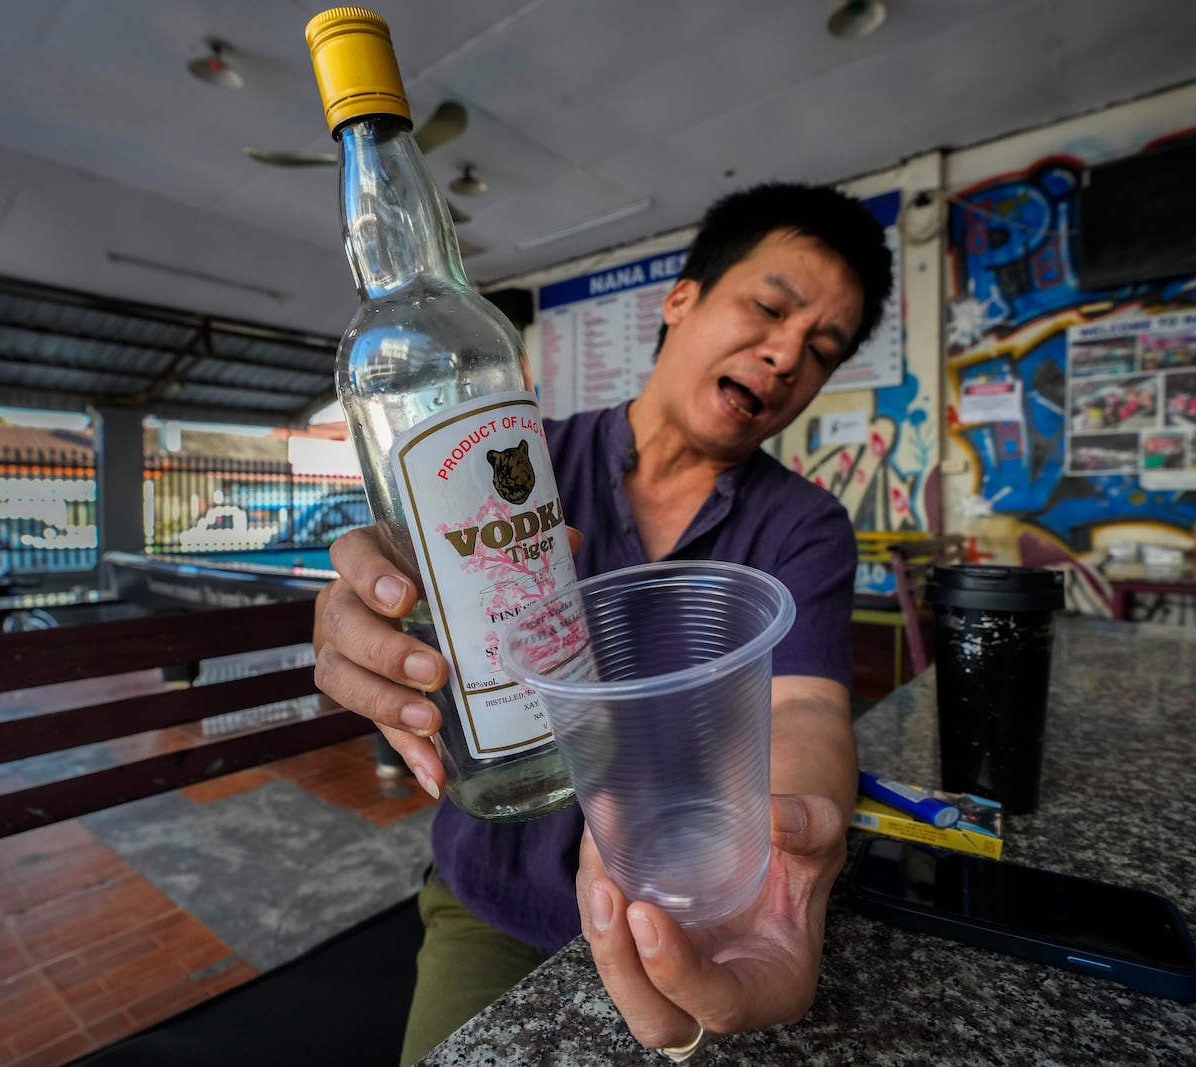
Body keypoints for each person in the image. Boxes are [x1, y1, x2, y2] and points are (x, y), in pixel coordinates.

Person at [312, 182, 894, 1064]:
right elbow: (405, 587)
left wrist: (786, 861)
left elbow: (806, 709)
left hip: (707, 907)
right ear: (681, 299)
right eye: (769, 308)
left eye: (820, 350)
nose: (785, 358)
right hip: (494, 901)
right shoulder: (515, 462)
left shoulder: (804, 524)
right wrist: (378, 612)